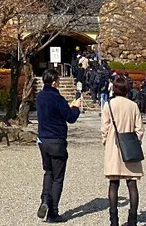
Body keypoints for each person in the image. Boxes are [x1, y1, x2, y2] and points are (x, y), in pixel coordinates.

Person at [35, 68, 81, 223]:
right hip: (57, 141)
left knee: (48, 172)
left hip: (43, 139)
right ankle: (53, 212)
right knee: (58, 177)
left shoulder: (39, 97)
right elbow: (70, 117)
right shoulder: (57, 98)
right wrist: (75, 107)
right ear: (54, 82)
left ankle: (45, 199)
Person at [102, 76, 144, 226]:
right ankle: (133, 220)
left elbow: (104, 128)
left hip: (114, 146)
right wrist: (135, 142)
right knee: (132, 184)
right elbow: (139, 129)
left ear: (114, 88)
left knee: (113, 184)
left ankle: (114, 221)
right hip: (130, 146)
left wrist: (105, 142)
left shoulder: (109, 105)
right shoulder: (133, 106)